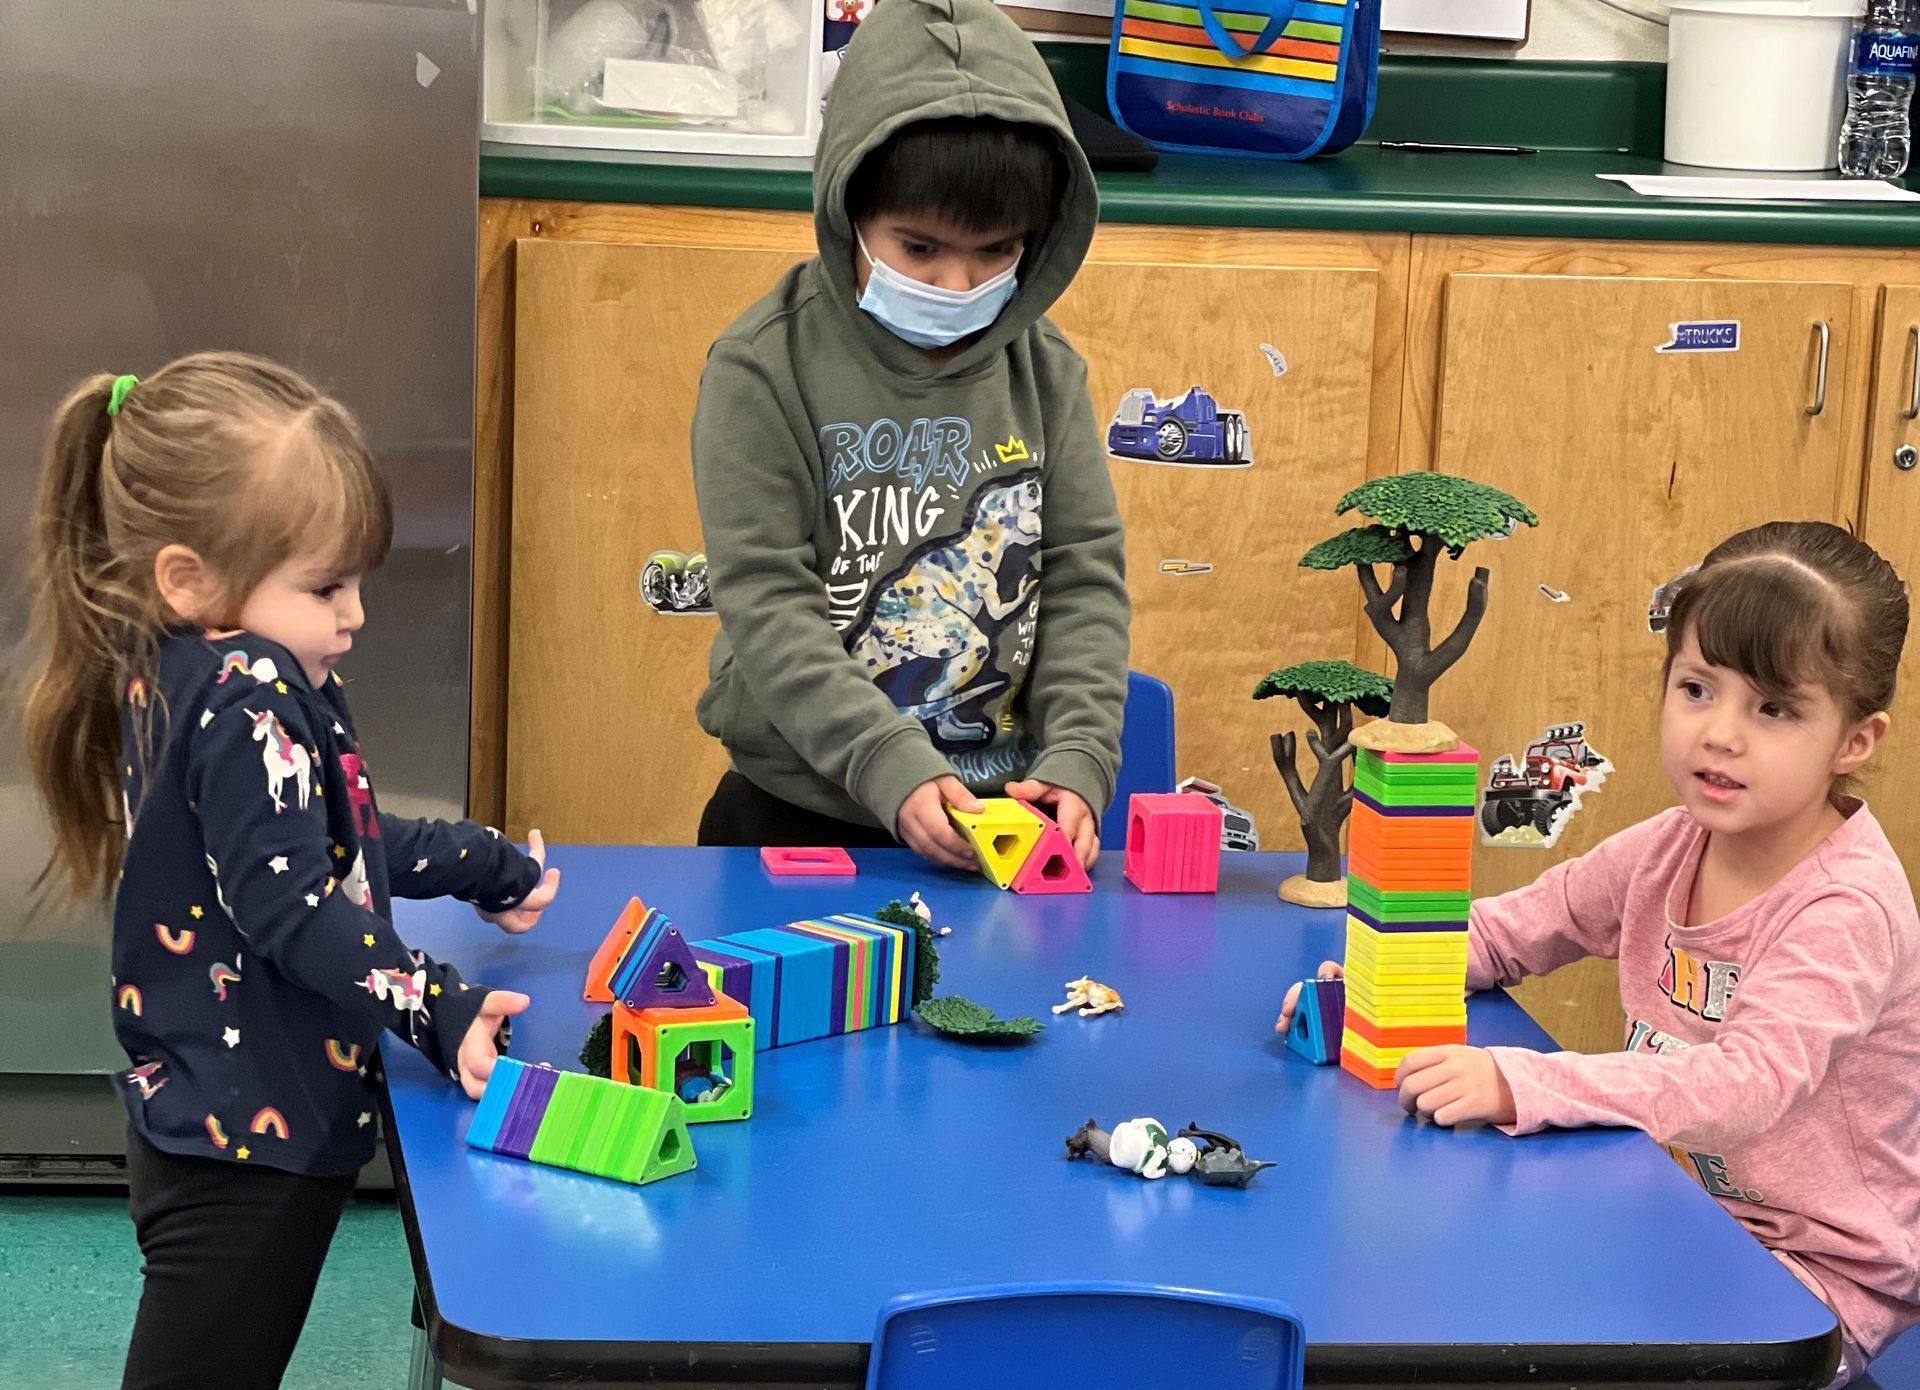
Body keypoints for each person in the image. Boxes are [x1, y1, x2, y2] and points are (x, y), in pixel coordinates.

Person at [19, 353, 560, 1390]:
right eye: (324, 587)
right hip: (243, 1144)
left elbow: (326, 839)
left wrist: (482, 862)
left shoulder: (185, 658)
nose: (353, 616)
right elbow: (301, 908)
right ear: (189, 576)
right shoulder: (248, 696)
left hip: (219, 1100)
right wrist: (436, 1006)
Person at [1277, 521, 1919, 1385]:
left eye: (1773, 708)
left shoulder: (1846, 907)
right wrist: (1384, 977)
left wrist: (1526, 1078)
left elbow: (1747, 1084)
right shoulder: (1671, 843)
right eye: (1697, 688)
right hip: (1665, 1204)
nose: (1720, 733)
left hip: (1808, 1282)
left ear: (1855, 740)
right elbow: (1518, 928)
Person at [690, 0, 1129, 871]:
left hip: (1004, 817)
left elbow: (1082, 576)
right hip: (796, 811)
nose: (956, 282)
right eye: (919, 248)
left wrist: (1080, 757)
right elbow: (770, 602)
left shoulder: (1047, 374)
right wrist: (882, 761)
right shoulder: (761, 368)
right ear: (847, 207)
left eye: (996, 251)